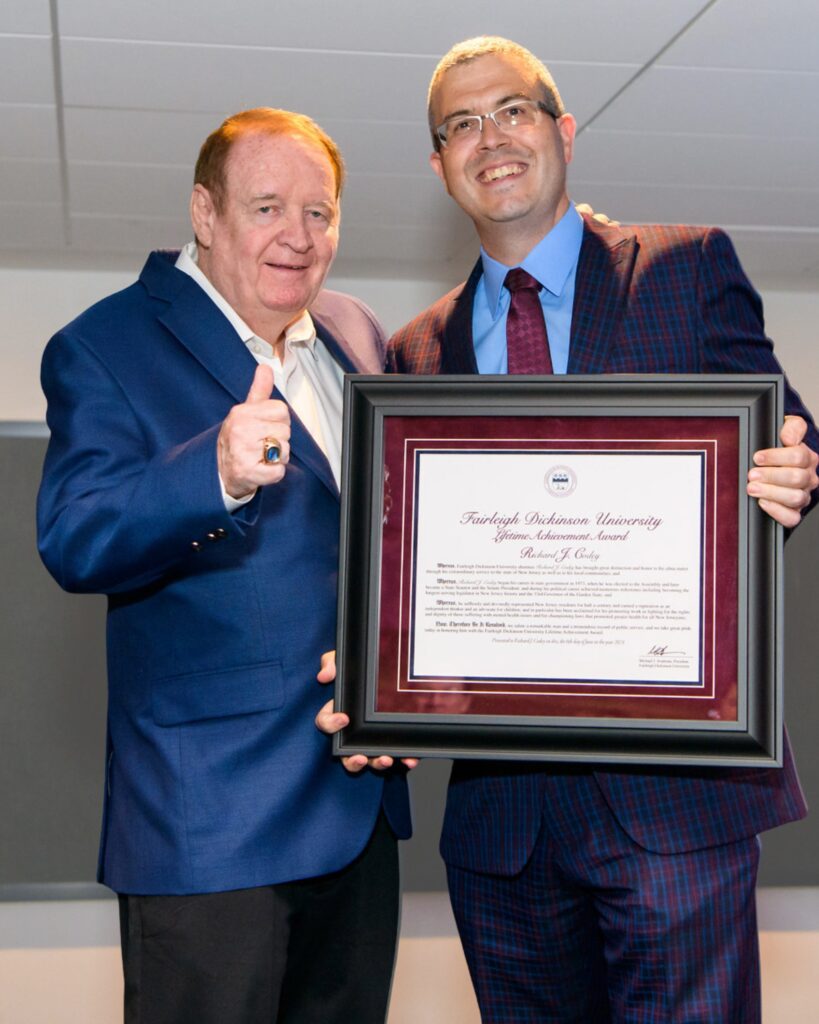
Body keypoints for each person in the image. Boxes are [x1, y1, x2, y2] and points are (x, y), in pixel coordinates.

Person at [386, 36, 819, 1024]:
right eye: (459, 125)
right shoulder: (416, 351)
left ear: (564, 131)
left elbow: (785, 437)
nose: (487, 136)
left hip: (675, 798)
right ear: (439, 164)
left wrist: (796, 469)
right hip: (503, 825)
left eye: (512, 110)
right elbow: (405, 567)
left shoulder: (686, 267)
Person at [37, 107, 410, 1024]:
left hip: (359, 801)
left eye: (319, 213)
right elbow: (73, 537)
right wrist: (212, 473)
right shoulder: (105, 344)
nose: (298, 236)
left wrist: (411, 683)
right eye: (267, 207)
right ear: (204, 214)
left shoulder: (358, 332)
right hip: (209, 823)